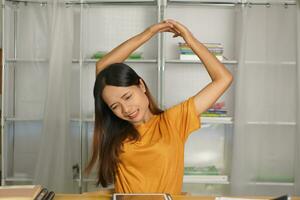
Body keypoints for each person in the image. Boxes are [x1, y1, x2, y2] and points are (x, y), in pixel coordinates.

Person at [85, 19, 233, 194]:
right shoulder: (117, 132)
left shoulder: (173, 121)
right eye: (115, 106)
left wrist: (190, 40)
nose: (126, 109)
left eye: (127, 96)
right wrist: (148, 33)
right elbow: (102, 68)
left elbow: (223, 78)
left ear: (141, 85)